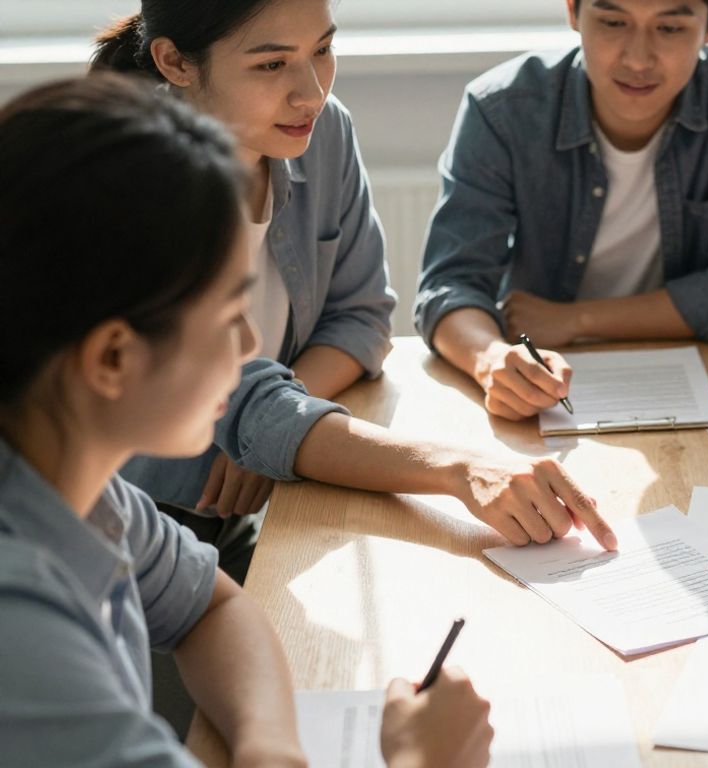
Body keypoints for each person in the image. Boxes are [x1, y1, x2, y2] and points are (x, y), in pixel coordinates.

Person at [0, 73, 493, 768]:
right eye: (231, 315)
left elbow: (213, 607)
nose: (250, 350)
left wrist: (270, 748)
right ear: (113, 355)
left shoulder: (76, 481)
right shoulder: (19, 626)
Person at [92, 0, 618, 580]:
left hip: (261, 505)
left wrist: (277, 430)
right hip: (122, 527)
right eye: (271, 66)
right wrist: (458, 467)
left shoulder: (319, 132)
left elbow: (363, 317)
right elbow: (240, 396)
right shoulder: (127, 180)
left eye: (322, 50)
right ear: (175, 62)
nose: (310, 93)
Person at [416, 0, 708, 420]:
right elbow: (450, 284)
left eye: (670, 28)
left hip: (705, 377)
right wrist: (490, 359)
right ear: (572, 12)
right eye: (614, 22)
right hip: (547, 387)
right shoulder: (502, 109)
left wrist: (575, 320)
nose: (638, 59)